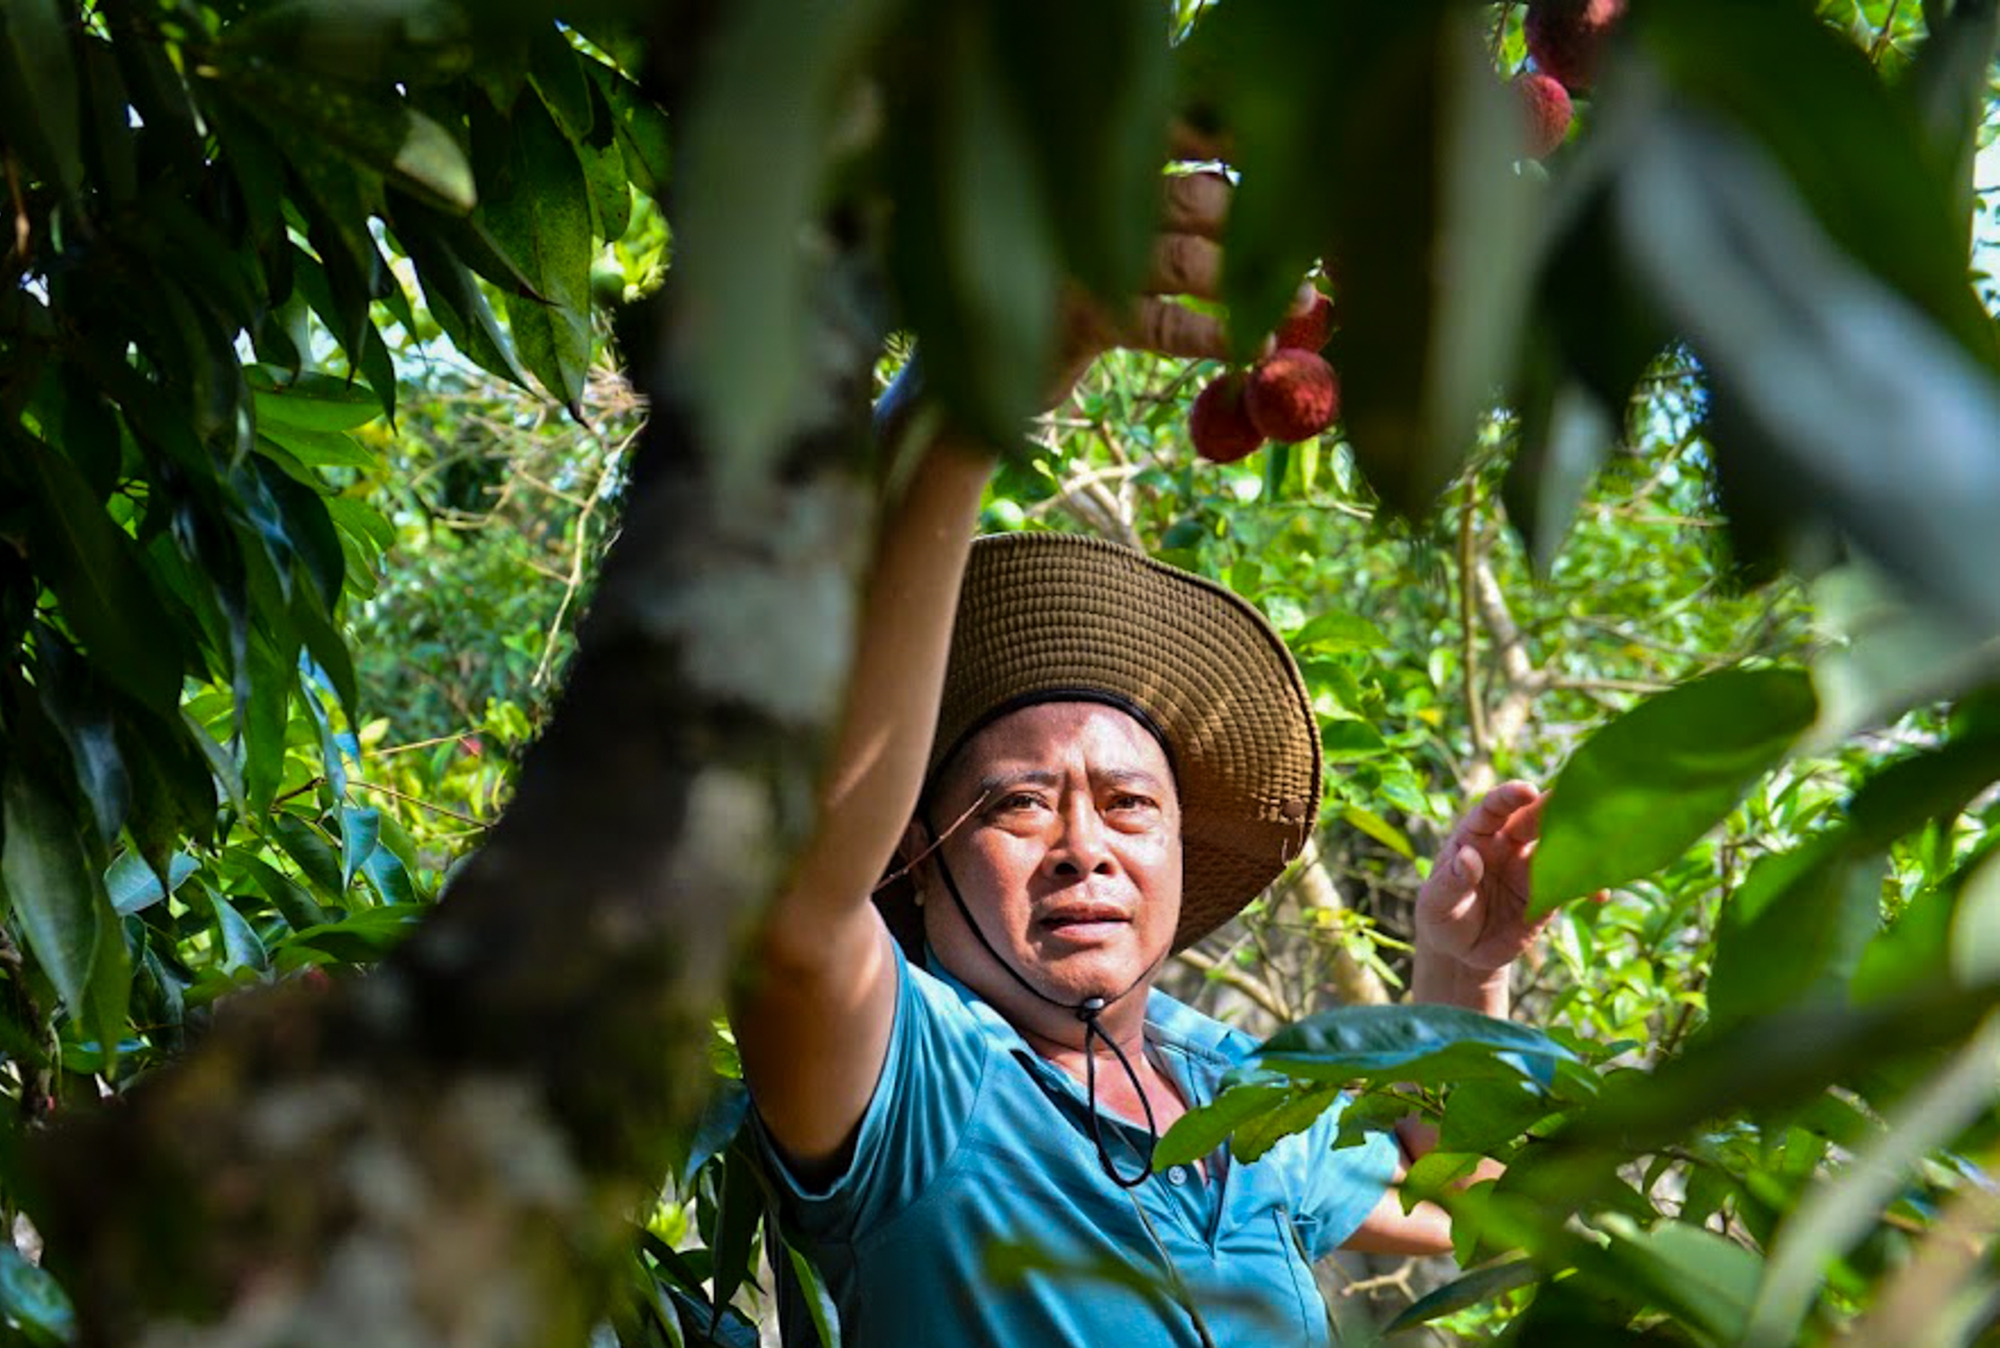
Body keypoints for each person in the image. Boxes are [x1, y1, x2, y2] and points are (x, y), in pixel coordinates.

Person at [730, 171, 1556, 1346]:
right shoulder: (913, 1079)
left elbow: (1471, 1200)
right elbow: (801, 904)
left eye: (1129, 803)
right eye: (1019, 804)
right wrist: (972, 399)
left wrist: (1458, 970)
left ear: (1176, 845)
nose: (1085, 850)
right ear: (913, 853)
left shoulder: (1231, 1086)